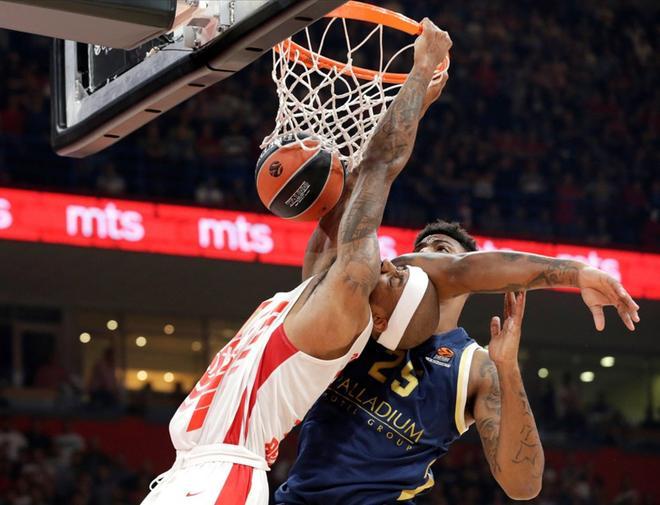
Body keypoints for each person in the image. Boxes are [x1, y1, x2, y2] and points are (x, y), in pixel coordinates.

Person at [141, 20, 453, 505]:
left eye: (394, 278)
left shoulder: (346, 307)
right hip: (189, 473)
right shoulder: (315, 295)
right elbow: (342, 213)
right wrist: (418, 104)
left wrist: (420, 71)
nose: (389, 265)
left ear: (383, 317)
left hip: (224, 477)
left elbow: (378, 170)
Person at [276, 213, 639, 505]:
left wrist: (508, 369)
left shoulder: (476, 366)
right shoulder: (367, 319)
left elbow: (523, 486)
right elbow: (316, 271)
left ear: (467, 273)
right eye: (422, 250)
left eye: (441, 250)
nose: (428, 257)